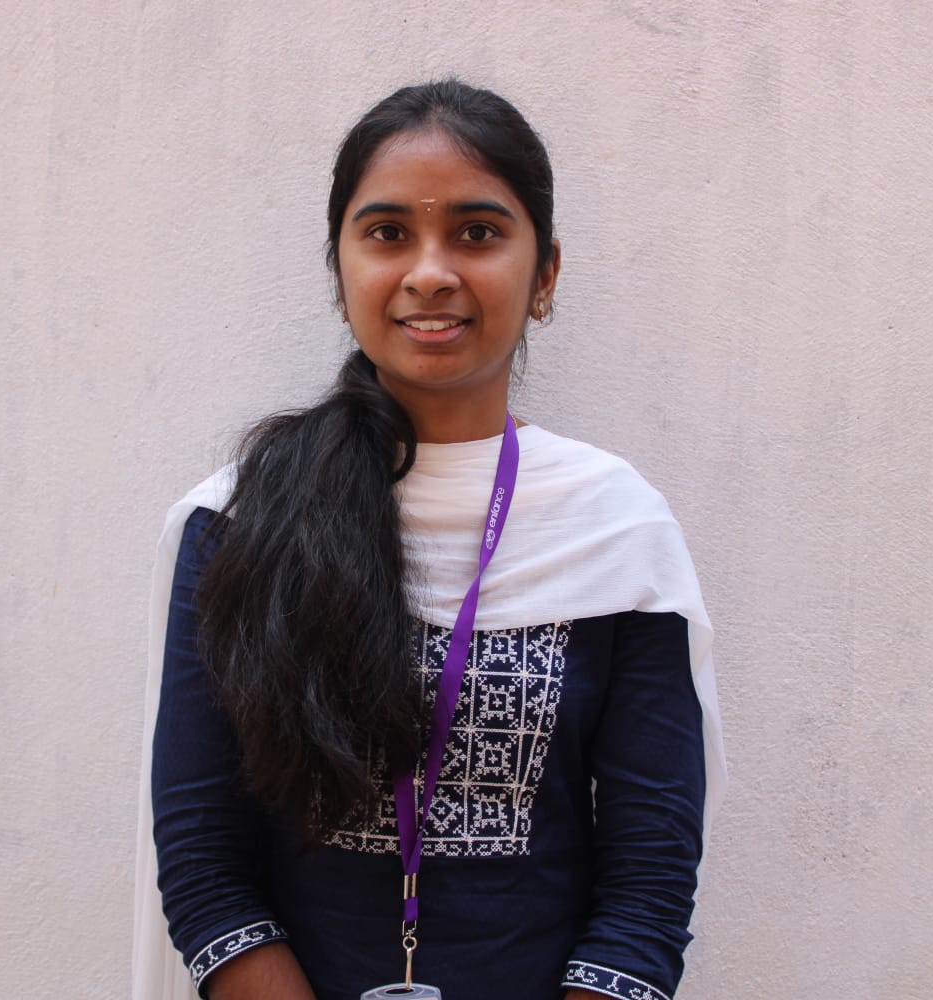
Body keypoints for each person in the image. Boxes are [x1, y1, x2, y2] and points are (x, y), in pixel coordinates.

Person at [134, 79, 724, 1000]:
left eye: (477, 232)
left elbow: (649, 875)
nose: (430, 273)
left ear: (545, 275)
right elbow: (204, 857)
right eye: (387, 233)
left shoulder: (615, 529)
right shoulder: (240, 523)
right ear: (340, 272)